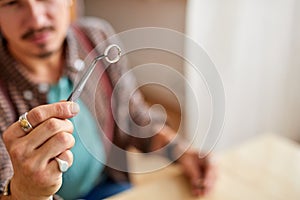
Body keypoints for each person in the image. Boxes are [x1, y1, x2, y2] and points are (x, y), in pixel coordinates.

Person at [0, 0, 216, 199]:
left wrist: (182, 151)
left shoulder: (96, 37)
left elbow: (134, 119)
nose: (36, 20)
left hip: (107, 187)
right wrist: (23, 192)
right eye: (12, 3)